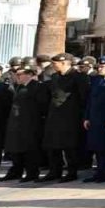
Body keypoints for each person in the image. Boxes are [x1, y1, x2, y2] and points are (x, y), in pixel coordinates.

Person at [40, 53, 89, 182]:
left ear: (65, 63)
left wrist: (83, 117)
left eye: (55, 63)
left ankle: (71, 172)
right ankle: (54, 171)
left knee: (70, 147)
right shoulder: (55, 77)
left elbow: (84, 98)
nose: (53, 66)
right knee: (52, 146)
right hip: (54, 116)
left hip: (70, 117)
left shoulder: (79, 77)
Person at [3, 62, 48, 182]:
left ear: (29, 74)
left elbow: (42, 106)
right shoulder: (18, 87)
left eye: (20, 74)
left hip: (31, 124)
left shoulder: (37, 87)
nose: (17, 77)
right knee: (16, 149)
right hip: (17, 124)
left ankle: (31, 173)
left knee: (30, 150)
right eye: (16, 74)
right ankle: (16, 171)